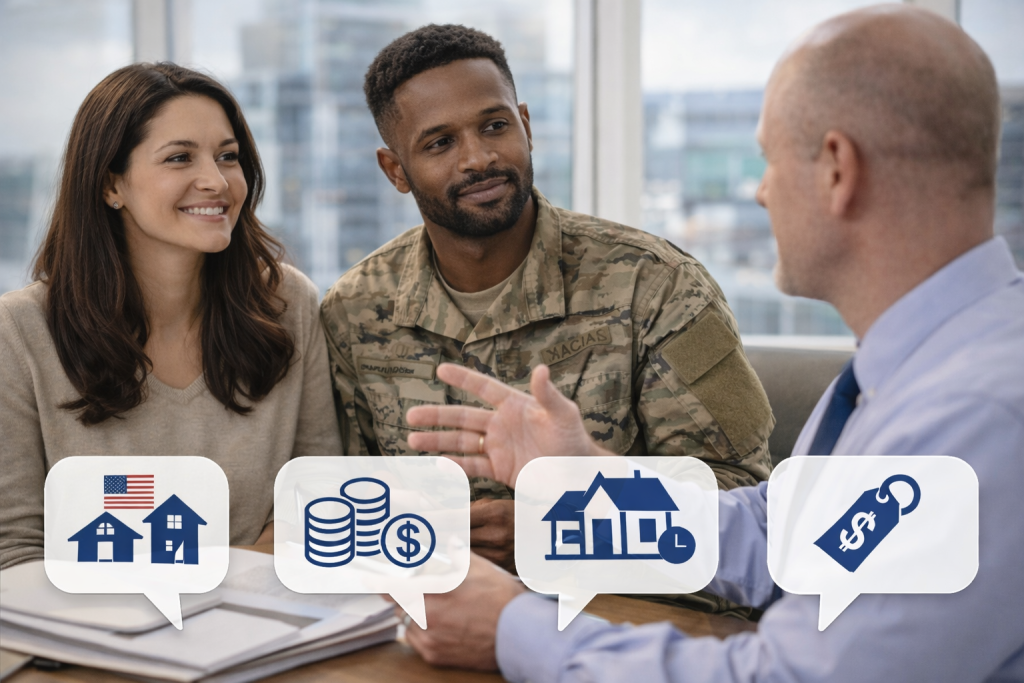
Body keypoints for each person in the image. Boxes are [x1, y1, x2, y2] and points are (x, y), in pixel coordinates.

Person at [398, 5, 1024, 681]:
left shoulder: (973, 415)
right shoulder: (936, 366)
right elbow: (774, 531)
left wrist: (513, 628)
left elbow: (787, 675)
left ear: (837, 169)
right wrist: (591, 488)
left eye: (769, 158)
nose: (760, 192)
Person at [320, 24, 775, 586]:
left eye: (495, 126)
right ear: (395, 171)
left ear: (527, 126)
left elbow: (744, 497)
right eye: (440, 143)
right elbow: (343, 510)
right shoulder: (355, 311)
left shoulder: (655, 285)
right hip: (435, 625)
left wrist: (566, 527)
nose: (478, 158)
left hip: (625, 627)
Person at [0, 63, 342, 569]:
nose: (216, 181)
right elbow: (15, 554)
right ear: (110, 185)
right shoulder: (19, 332)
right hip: (93, 640)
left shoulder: (287, 305)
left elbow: (318, 504)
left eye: (228, 157)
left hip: (264, 631)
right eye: (179, 158)